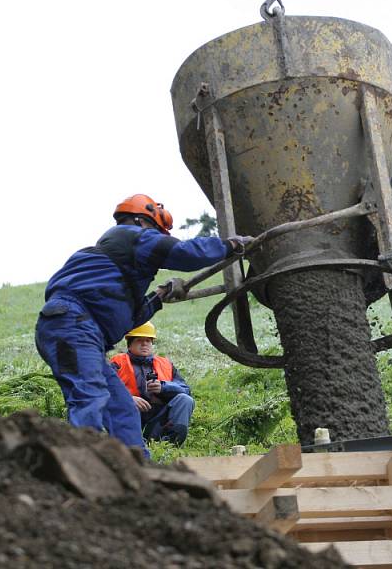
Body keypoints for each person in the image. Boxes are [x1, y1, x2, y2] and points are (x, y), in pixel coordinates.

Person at [35, 194, 251, 455]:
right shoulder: (129, 236)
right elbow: (183, 253)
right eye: (157, 232)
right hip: (72, 325)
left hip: (78, 330)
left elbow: (128, 317)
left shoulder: (114, 267)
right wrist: (230, 246)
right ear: (142, 221)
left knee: (121, 409)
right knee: (88, 396)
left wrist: (160, 296)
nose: (157, 238)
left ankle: (140, 474)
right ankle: (83, 468)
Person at [111, 322, 194, 445]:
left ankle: (170, 446)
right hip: (129, 421)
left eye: (148, 340)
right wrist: (128, 399)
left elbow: (186, 389)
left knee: (185, 399)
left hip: (158, 422)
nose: (145, 344)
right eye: (139, 340)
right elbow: (102, 389)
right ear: (130, 344)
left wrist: (164, 387)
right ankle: (130, 444)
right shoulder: (117, 363)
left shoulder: (165, 364)